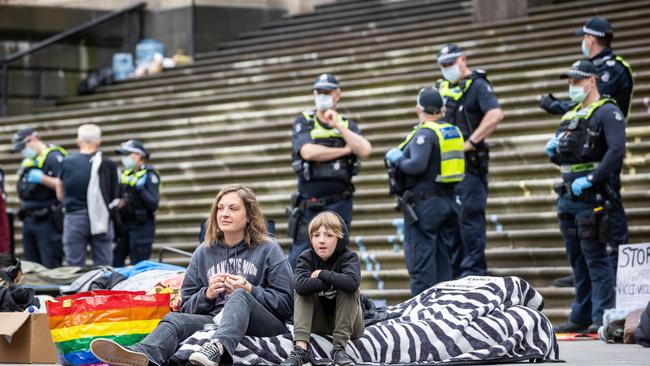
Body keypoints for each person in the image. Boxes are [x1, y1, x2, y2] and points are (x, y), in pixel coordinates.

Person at [90, 184, 293, 366]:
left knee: (240, 296)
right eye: (220, 208)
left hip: (264, 323)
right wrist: (208, 294)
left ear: (249, 215)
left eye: (233, 208)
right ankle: (140, 356)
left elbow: (286, 305)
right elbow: (186, 304)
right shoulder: (203, 252)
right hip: (215, 318)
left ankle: (217, 350)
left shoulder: (269, 250)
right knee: (174, 319)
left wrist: (249, 289)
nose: (224, 213)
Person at [539, 17, 633, 287]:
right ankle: (591, 273)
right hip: (586, 155)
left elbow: (597, 104)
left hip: (604, 150)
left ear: (590, 39)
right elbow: (580, 107)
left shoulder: (614, 69)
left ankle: (618, 273)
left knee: (611, 215)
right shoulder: (598, 70)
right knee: (584, 239)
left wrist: (557, 106)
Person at [547, 60, 623, 334]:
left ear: (592, 80)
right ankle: (580, 314)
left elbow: (616, 150)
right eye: (569, 82)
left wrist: (591, 179)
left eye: (577, 81)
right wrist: (553, 151)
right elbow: (564, 155)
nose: (572, 86)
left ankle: (600, 313)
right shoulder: (571, 114)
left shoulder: (607, 111)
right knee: (577, 258)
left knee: (595, 257)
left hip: (593, 195)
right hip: (568, 195)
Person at [287, 73, 372, 270]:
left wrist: (339, 126)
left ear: (337, 95)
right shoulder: (305, 121)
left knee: (338, 258)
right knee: (300, 257)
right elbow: (308, 152)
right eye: (319, 92)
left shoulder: (347, 124)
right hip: (310, 205)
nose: (322, 95)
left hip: (340, 204)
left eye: (327, 92)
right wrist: (343, 150)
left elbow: (365, 150)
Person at [384, 87, 464, 295]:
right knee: (443, 261)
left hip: (424, 206)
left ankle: (421, 318)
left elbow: (416, 165)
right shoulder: (451, 130)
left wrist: (397, 158)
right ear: (442, 109)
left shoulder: (425, 133)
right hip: (447, 202)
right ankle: (446, 308)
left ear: (419, 108)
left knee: (420, 263)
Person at [435, 44, 503, 277]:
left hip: (470, 167)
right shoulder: (442, 88)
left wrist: (471, 142)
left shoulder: (478, 85)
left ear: (463, 59)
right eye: (443, 65)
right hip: (447, 169)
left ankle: (474, 273)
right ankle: (456, 275)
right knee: (452, 223)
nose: (447, 69)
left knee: (470, 222)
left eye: (450, 64)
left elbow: (495, 114)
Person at [282, 211, 364, 366]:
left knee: (349, 289)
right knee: (302, 291)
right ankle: (300, 350)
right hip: (317, 323)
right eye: (316, 235)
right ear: (310, 239)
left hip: (350, 326)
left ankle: (339, 349)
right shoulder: (306, 257)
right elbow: (299, 285)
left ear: (339, 238)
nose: (321, 240)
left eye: (328, 235)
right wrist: (335, 280)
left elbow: (352, 282)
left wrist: (322, 274)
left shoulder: (349, 256)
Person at [55, 124, 120, 267]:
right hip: (102, 218)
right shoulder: (108, 163)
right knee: (104, 265)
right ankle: (104, 289)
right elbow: (116, 196)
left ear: (78, 141)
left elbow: (60, 193)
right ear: (99, 141)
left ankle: (78, 289)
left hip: (75, 218)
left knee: (74, 265)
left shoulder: (67, 162)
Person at [10, 128, 66, 268]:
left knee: (50, 263)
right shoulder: (30, 160)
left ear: (32, 139)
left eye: (23, 147)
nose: (22, 151)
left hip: (47, 219)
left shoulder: (54, 156)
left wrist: (43, 179)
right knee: (31, 266)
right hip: (28, 218)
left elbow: (64, 186)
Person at [113, 139, 161, 267]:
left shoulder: (150, 175)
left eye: (127, 154)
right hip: (124, 226)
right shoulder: (125, 175)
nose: (124, 158)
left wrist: (140, 189)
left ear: (138, 155)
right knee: (115, 261)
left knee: (139, 265)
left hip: (142, 227)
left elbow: (153, 204)